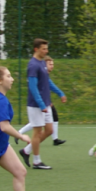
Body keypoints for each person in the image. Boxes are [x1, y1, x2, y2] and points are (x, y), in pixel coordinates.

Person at [19, 39, 66, 170]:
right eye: (43, 49)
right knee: (38, 133)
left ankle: (26, 151)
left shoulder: (42, 63)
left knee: (49, 130)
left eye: (46, 48)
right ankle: (36, 161)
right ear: (36, 49)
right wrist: (41, 104)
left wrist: (60, 93)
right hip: (36, 105)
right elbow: (33, 88)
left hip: (45, 104)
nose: (46, 51)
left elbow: (48, 82)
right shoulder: (33, 65)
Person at [16, 56, 65, 146]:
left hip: (44, 102)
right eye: (50, 64)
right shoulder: (38, 73)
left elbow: (50, 85)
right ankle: (22, 136)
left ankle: (55, 139)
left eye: (53, 64)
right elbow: (35, 89)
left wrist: (60, 93)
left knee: (48, 122)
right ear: (44, 65)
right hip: (38, 104)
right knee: (38, 124)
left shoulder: (44, 75)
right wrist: (42, 103)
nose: (52, 66)